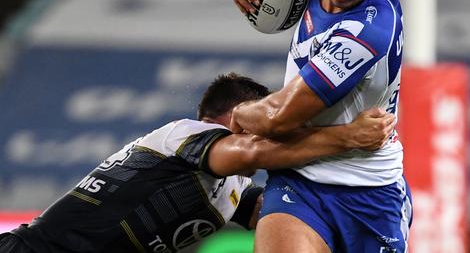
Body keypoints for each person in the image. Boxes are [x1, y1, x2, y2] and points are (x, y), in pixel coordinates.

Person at [0, 73, 395, 253]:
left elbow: (279, 212)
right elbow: (254, 152)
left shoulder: (233, 188)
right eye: (255, 123)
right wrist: (344, 138)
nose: (264, 133)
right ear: (234, 118)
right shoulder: (183, 135)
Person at [226, 0, 411, 253]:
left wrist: (240, 113)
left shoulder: (368, 30)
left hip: (370, 193)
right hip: (299, 181)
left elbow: (277, 118)